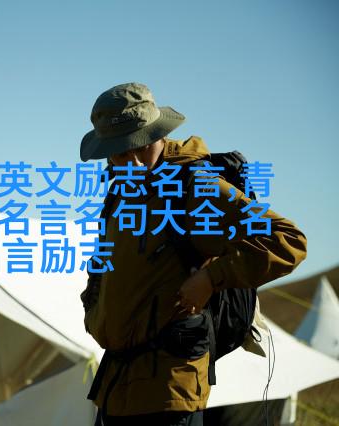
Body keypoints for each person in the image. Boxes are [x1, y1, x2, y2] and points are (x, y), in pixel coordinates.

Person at [78, 82, 308, 425]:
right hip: (114, 388)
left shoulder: (195, 187)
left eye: (140, 146)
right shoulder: (119, 194)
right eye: (120, 153)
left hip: (169, 393)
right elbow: (104, 264)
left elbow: (288, 240)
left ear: (157, 134)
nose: (132, 162)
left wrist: (211, 278)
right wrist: (94, 312)